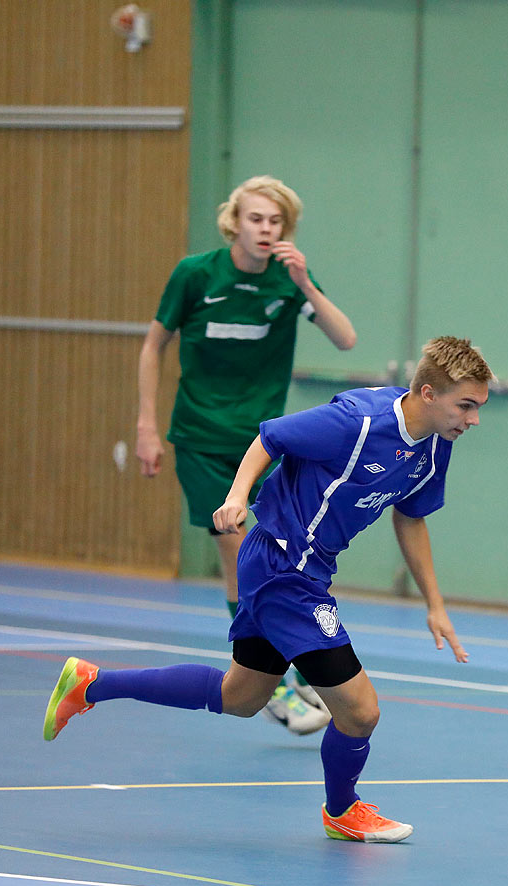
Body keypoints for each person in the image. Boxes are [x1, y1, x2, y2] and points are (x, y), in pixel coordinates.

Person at [45, 337, 492, 844]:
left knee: (240, 697)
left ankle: (90, 684)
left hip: (303, 569)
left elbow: (410, 517)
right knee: (361, 709)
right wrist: (238, 498)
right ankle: (342, 810)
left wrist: (435, 604)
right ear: (429, 393)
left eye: (478, 407)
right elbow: (270, 440)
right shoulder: (356, 421)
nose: (473, 419)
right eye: (466, 405)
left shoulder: (435, 447)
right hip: (284, 567)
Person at [136, 175, 359, 736]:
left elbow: (346, 338)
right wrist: (145, 424)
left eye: (276, 222)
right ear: (234, 221)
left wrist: (306, 284)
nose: (266, 229)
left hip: (264, 445)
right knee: (237, 553)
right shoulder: (195, 274)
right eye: (256, 219)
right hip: (203, 439)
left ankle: (279, 659)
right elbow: (153, 345)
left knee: (280, 557)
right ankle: (272, 684)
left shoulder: (288, 283)